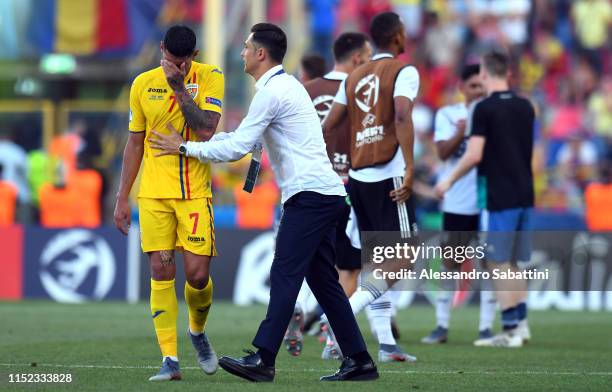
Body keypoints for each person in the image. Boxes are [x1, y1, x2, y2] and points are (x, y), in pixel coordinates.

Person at [149, 23, 378, 382]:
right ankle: (359, 360)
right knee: (324, 283)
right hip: (322, 194)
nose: (240, 52)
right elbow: (243, 142)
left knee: (285, 274)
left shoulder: (273, 92)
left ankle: (265, 358)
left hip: (311, 196)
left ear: (260, 53)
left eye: (245, 46)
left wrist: (183, 146)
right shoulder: (284, 87)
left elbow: (237, 146)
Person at [113, 25, 224, 381]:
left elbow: (206, 130)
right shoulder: (142, 84)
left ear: (194, 56)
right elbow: (134, 143)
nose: (176, 67)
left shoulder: (210, 77)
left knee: (198, 274)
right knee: (161, 271)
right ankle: (170, 360)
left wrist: (179, 87)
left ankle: (197, 331)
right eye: (171, 60)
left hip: (193, 194)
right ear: (161, 48)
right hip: (154, 195)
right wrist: (121, 197)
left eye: (183, 62)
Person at [321, 11, 419, 362]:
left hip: (359, 179)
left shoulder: (355, 76)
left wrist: (331, 165)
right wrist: (409, 166)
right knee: (403, 259)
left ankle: (387, 345)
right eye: (404, 32)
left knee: (377, 263)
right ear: (396, 36)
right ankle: (341, 319)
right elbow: (403, 114)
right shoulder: (404, 71)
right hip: (389, 174)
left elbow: (330, 124)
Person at [435, 51, 534, 348]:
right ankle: (522, 324)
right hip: (525, 192)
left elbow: (474, 154)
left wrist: (449, 179)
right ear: (509, 74)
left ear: (487, 75)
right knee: (512, 262)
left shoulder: (485, 109)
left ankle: (510, 329)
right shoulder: (526, 106)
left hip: (499, 194)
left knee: (497, 261)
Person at [284, 31, 372, 359]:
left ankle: (305, 308)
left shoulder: (307, 91)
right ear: (357, 57)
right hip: (350, 185)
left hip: (309, 185)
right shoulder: (360, 90)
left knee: (319, 261)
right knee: (351, 267)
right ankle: (332, 333)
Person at [421, 64, 497, 345]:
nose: (478, 91)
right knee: (450, 262)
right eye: (474, 86)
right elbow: (442, 153)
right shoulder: (449, 115)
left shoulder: (493, 116)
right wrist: (462, 133)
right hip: (457, 201)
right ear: (462, 88)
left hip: (489, 200)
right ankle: (441, 326)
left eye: (482, 86)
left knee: (491, 263)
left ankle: (486, 328)